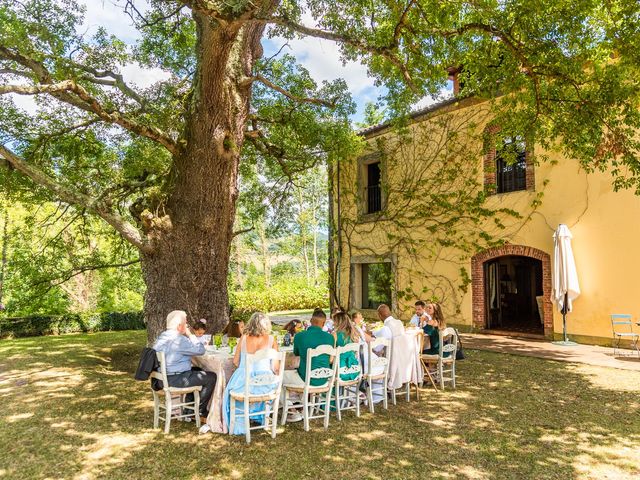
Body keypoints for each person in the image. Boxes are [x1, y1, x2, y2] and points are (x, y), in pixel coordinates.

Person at [153, 310, 217, 422]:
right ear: (179, 326)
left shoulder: (162, 337)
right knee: (211, 377)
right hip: (174, 379)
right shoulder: (180, 339)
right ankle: (201, 411)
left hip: (160, 379)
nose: (187, 326)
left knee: (197, 370)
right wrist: (190, 334)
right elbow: (200, 350)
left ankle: (189, 410)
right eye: (186, 323)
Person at [222, 312, 281, 435]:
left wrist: (245, 368)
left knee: (232, 388)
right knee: (271, 380)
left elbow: (235, 361)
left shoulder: (244, 338)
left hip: (244, 383)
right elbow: (276, 368)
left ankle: (239, 421)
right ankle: (259, 416)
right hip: (264, 384)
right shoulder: (271, 339)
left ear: (251, 324)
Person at [282, 308, 334, 420]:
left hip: (306, 378)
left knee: (279, 377)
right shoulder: (330, 337)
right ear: (324, 323)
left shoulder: (300, 336)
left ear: (310, 320)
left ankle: (292, 410)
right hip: (324, 379)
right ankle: (301, 405)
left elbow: (296, 355)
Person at [332, 312, 360, 382]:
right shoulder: (355, 333)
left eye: (334, 321)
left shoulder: (335, 334)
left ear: (339, 322)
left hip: (340, 370)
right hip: (354, 368)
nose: (333, 324)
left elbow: (332, 355)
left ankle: (331, 392)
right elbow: (356, 354)